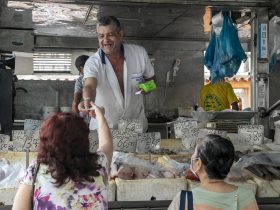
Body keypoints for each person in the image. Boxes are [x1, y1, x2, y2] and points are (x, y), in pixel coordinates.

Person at [12, 103, 113, 210]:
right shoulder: (99, 166)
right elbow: (107, 144)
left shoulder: (37, 170)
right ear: (84, 140)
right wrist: (100, 116)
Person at [79, 15, 156, 131]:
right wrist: (87, 100)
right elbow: (89, 85)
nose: (105, 40)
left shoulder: (139, 53)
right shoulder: (93, 62)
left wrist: (147, 87)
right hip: (105, 128)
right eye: (101, 36)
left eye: (110, 35)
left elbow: (153, 81)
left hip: (135, 126)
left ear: (120, 34)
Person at [168, 134, 259, 210]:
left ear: (198, 163)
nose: (192, 158)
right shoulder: (247, 197)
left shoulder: (185, 200)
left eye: (194, 154)